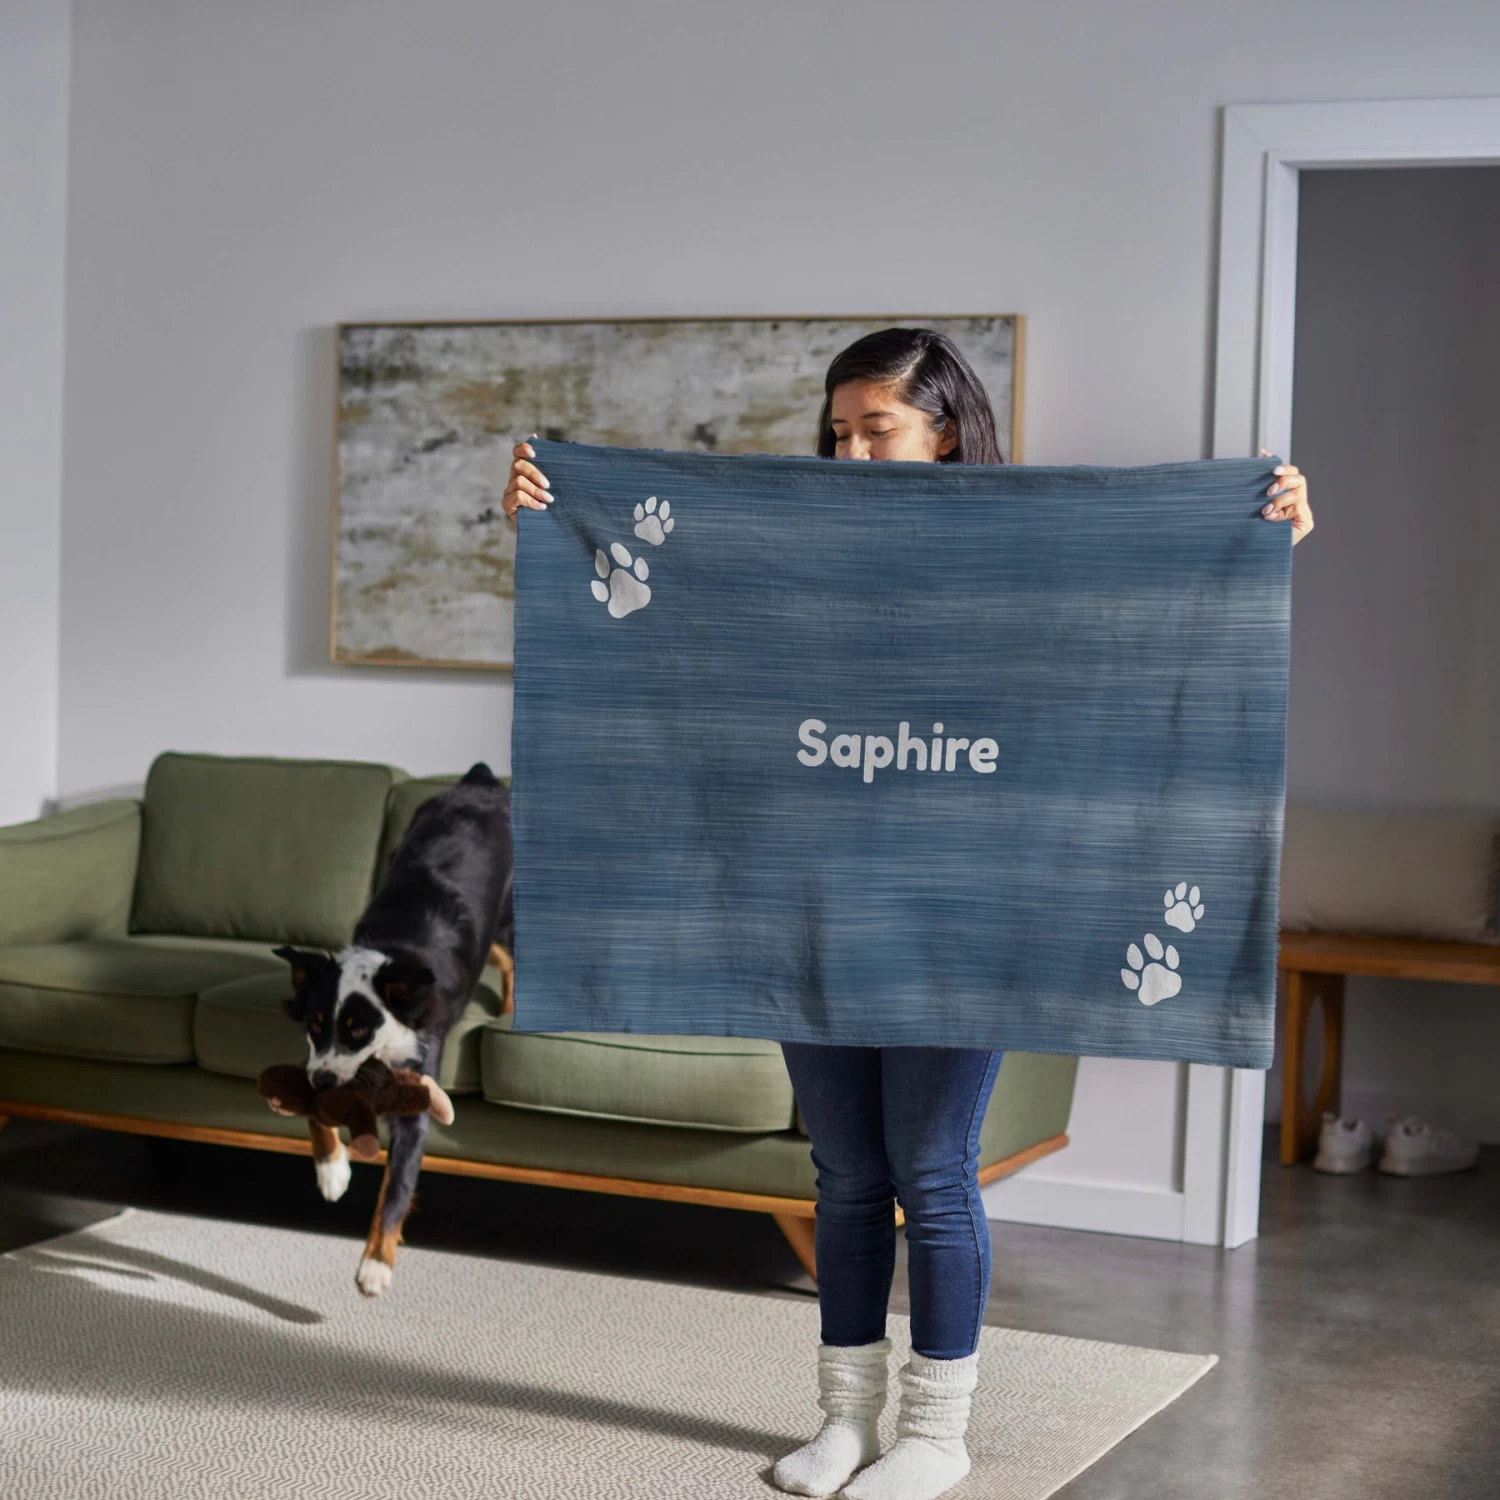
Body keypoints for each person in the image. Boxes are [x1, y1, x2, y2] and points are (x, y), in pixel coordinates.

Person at [502, 328, 1313, 1500]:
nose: (853, 454)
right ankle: (844, 1420)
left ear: (945, 434)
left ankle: (936, 1434)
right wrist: (551, 516)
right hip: (812, 895)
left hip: (963, 905)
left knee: (931, 1168)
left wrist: (1257, 531)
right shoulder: (792, 557)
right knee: (842, 1170)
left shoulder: (1021, 558)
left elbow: (1131, 610)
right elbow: (690, 629)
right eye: (838, 432)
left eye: (877, 429)